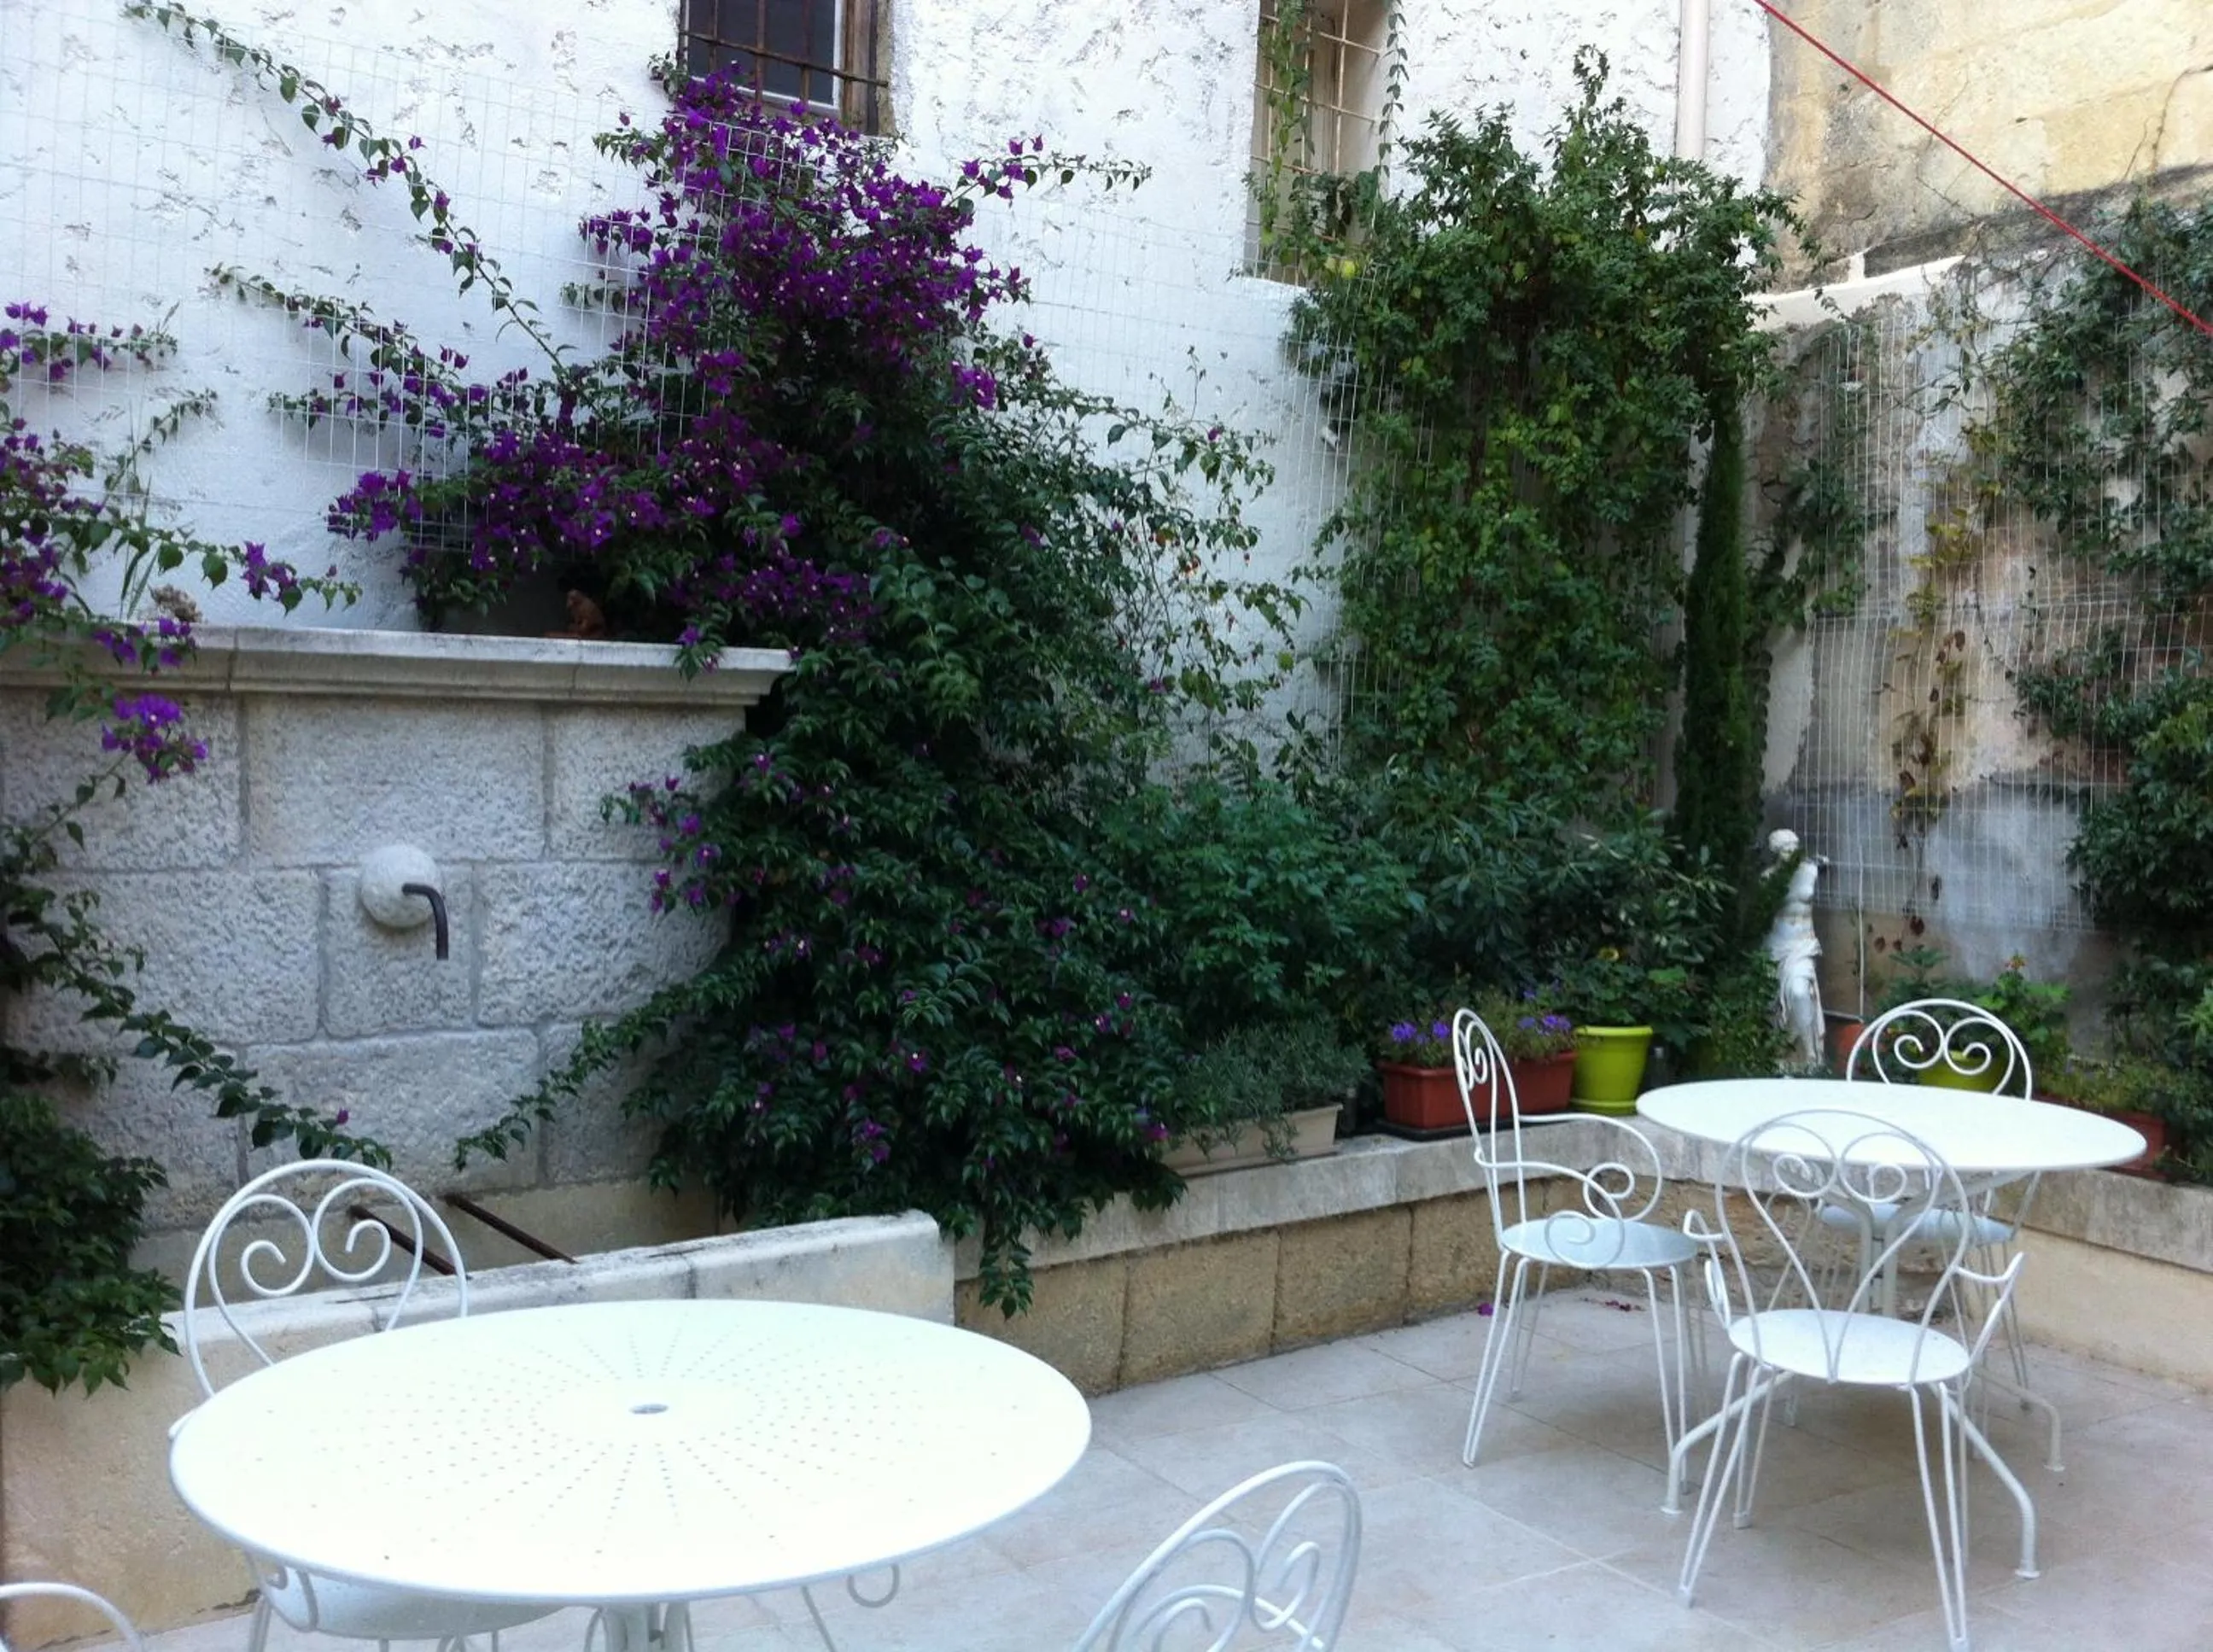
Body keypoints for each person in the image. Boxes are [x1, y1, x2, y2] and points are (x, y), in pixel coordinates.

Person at [1765, 829, 1824, 1065]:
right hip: (1777, 946)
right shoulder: (1768, 878)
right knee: (1777, 1005)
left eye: (1794, 847)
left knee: (1800, 992)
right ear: (1776, 852)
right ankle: (1783, 1056)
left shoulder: (1810, 871)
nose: (1791, 852)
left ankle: (1810, 1056)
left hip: (1802, 946)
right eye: (1786, 848)